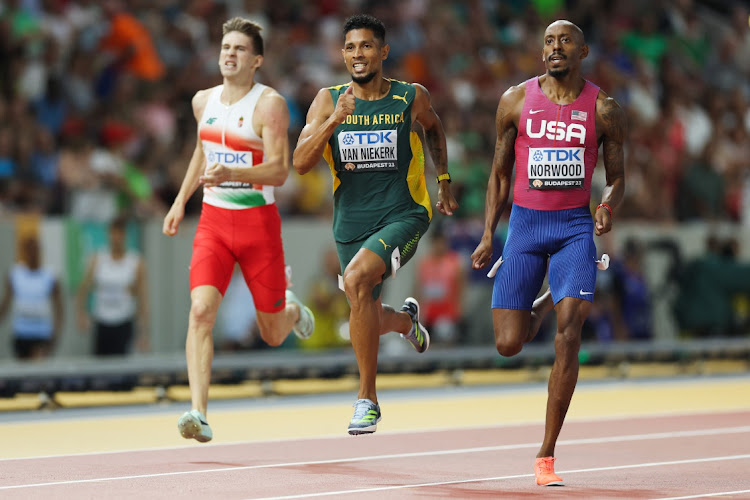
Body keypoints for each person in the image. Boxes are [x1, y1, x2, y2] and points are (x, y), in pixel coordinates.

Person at [470, 20, 626, 486]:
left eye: (565, 41)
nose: (555, 47)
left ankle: (546, 453)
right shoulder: (514, 100)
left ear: (582, 51)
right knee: (508, 343)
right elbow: (499, 174)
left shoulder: (605, 109)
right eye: (548, 42)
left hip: (575, 228)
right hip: (525, 228)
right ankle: (544, 298)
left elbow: (618, 177)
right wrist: (486, 234)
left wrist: (605, 205)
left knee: (570, 329)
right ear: (542, 54)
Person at [293, 14, 458, 435]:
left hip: (404, 214)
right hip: (350, 224)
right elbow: (299, 163)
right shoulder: (329, 101)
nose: (357, 54)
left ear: (383, 52)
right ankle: (405, 323)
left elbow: (435, 128)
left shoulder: (409, 96)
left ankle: (367, 400)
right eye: (350, 47)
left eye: (366, 46)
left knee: (356, 280)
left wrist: (443, 180)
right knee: (360, 304)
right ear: (342, 54)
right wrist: (334, 121)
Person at [162, 17, 314, 443]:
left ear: (257, 60)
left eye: (240, 49)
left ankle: (294, 311)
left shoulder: (270, 105)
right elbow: (201, 151)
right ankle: (199, 412)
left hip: (258, 226)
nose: (229, 53)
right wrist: (179, 202)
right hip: (213, 222)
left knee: (270, 333)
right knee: (200, 312)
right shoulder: (201, 101)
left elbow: (281, 170)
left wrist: (235, 170)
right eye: (225, 46)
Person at [76, 216, 150, 356]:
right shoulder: (98, 259)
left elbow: (142, 299)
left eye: (119, 234)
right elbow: (83, 288)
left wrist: (144, 334)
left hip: (124, 320)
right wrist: (81, 313)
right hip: (102, 321)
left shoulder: (134, 262)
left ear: (125, 235)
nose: (116, 238)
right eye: (113, 233)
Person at [0, 236, 63, 360]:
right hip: (21, 333)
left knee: (37, 371)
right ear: (24, 252)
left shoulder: (50, 275)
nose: (33, 254)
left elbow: (59, 309)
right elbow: (5, 304)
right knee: (22, 373)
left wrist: (55, 334)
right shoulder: (15, 275)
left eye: (36, 250)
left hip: (41, 333)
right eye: (30, 251)